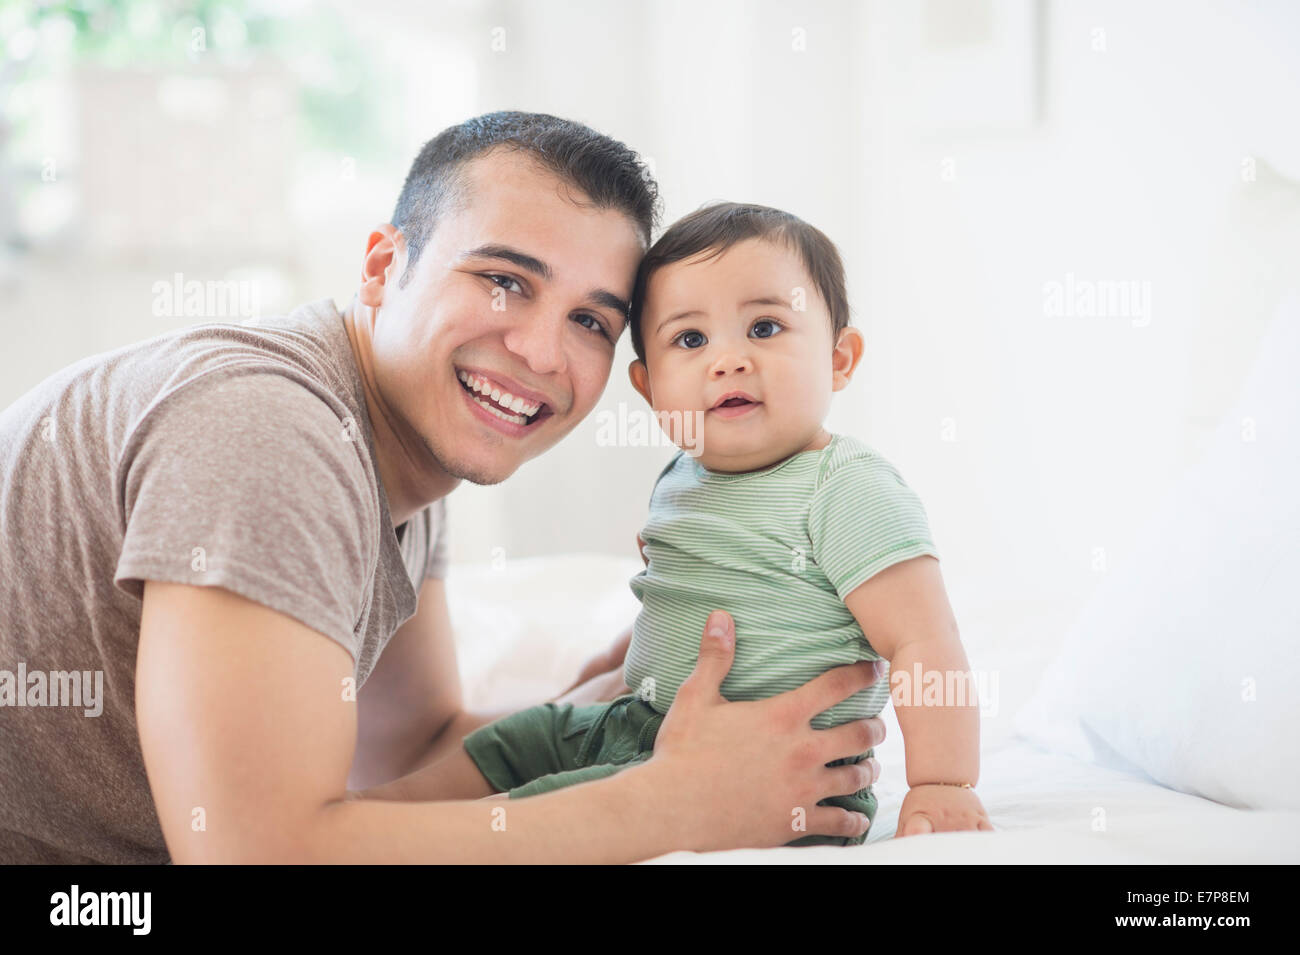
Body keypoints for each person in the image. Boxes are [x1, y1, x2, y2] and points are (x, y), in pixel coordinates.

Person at [0, 112, 887, 864]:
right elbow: (258, 852)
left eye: (589, 320)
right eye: (504, 280)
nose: (542, 354)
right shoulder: (270, 435)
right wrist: (673, 805)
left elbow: (404, 752)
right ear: (384, 268)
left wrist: (615, 713)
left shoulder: (395, 455)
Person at [380, 202, 993, 844]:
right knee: (516, 739)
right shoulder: (683, 474)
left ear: (839, 358)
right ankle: (364, 813)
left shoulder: (846, 487)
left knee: (546, 808)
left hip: (774, 774)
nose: (727, 360)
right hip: (642, 724)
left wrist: (944, 783)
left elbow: (926, 641)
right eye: (691, 340)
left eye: (764, 327)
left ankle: (415, 846)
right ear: (649, 388)